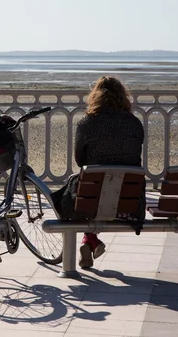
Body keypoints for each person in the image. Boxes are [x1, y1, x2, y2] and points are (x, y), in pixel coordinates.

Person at [51, 76, 144, 268]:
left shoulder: (87, 124)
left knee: (74, 191)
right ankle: (89, 241)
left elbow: (80, 160)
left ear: (96, 96)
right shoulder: (135, 124)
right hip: (128, 205)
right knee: (101, 189)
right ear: (123, 97)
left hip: (90, 201)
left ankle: (88, 242)